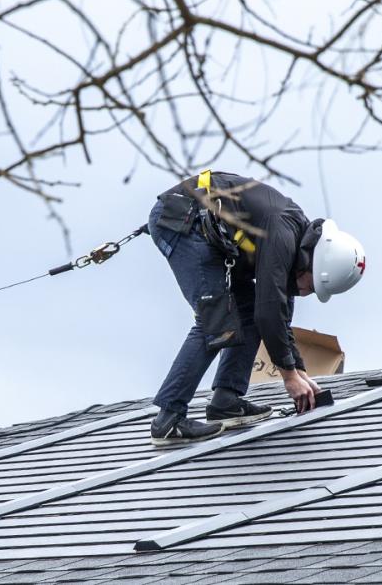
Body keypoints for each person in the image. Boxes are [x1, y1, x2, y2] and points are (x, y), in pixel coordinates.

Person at [147, 170, 365, 445]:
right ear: (312, 264)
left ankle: (226, 400)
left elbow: (278, 311)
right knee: (214, 319)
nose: (307, 293)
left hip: (208, 232)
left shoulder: (295, 242)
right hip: (184, 223)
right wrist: (289, 377)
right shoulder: (283, 235)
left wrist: (298, 371)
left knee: (247, 308)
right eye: (311, 286)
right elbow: (270, 310)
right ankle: (168, 419)